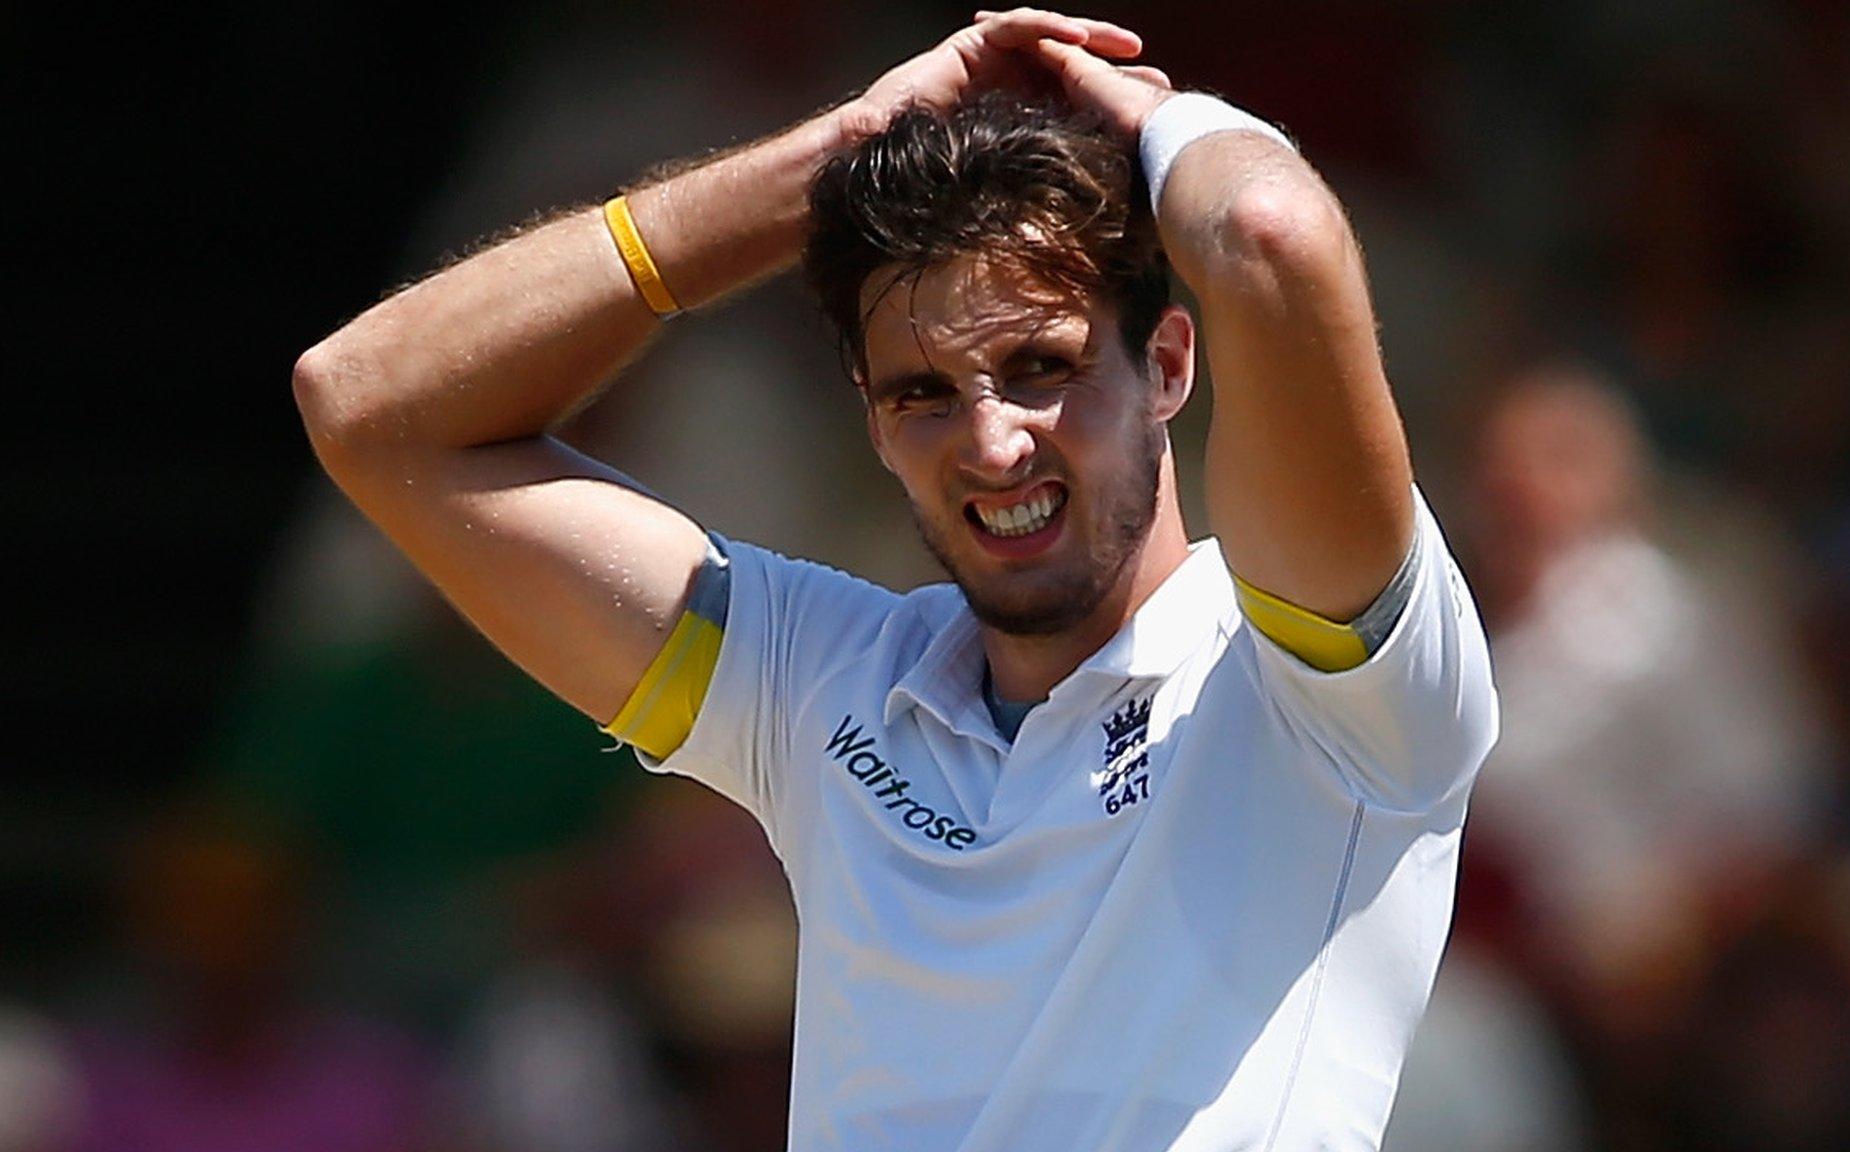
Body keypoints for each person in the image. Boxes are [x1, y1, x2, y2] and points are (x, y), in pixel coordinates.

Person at [293, 9, 1497, 1148]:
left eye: (1041, 366)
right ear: (869, 422)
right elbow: (369, 407)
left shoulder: (1319, 688)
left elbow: (1271, 239)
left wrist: (1156, 121)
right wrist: (826, 162)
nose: (990, 443)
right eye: (921, 393)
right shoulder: (820, 683)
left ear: (1169, 364)